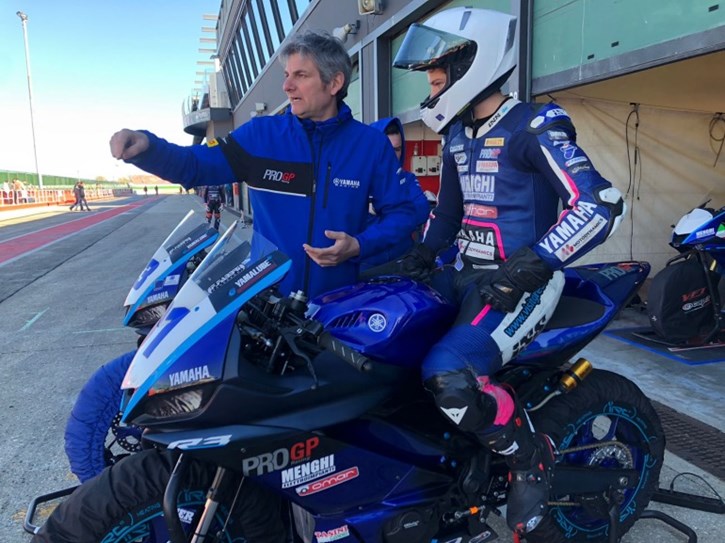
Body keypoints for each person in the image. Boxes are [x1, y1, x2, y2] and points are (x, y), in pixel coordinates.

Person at [392, 7, 625, 536]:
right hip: (464, 274)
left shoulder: (533, 126)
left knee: (449, 376)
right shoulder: (456, 134)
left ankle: (529, 460)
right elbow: (447, 215)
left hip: (521, 284)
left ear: (473, 61)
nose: (429, 79)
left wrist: (534, 263)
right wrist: (419, 257)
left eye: (437, 67)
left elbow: (601, 204)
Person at [110, 30, 418, 300]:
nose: (287, 86)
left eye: (301, 75)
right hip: (267, 307)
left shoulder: (369, 144)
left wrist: (360, 245)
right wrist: (148, 149)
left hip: (339, 304)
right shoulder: (260, 137)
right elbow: (194, 166)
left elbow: (403, 212)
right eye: (287, 74)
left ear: (335, 82)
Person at [360, 117, 430, 271]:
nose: (392, 155)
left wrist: (380, 209)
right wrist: (398, 212)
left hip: (403, 262)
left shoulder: (408, 179)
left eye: (397, 149)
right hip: (366, 265)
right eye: (387, 148)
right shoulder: (357, 181)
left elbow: (422, 210)